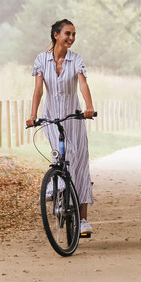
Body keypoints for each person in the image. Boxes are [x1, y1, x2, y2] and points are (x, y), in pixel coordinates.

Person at [26, 19, 96, 237]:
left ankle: (83, 220)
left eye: (74, 34)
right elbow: (38, 90)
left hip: (74, 117)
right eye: (68, 33)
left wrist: (89, 106)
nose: (72, 38)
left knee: (81, 163)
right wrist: (33, 115)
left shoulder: (76, 60)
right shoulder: (41, 60)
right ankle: (55, 184)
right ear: (56, 35)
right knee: (64, 152)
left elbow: (82, 83)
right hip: (51, 118)